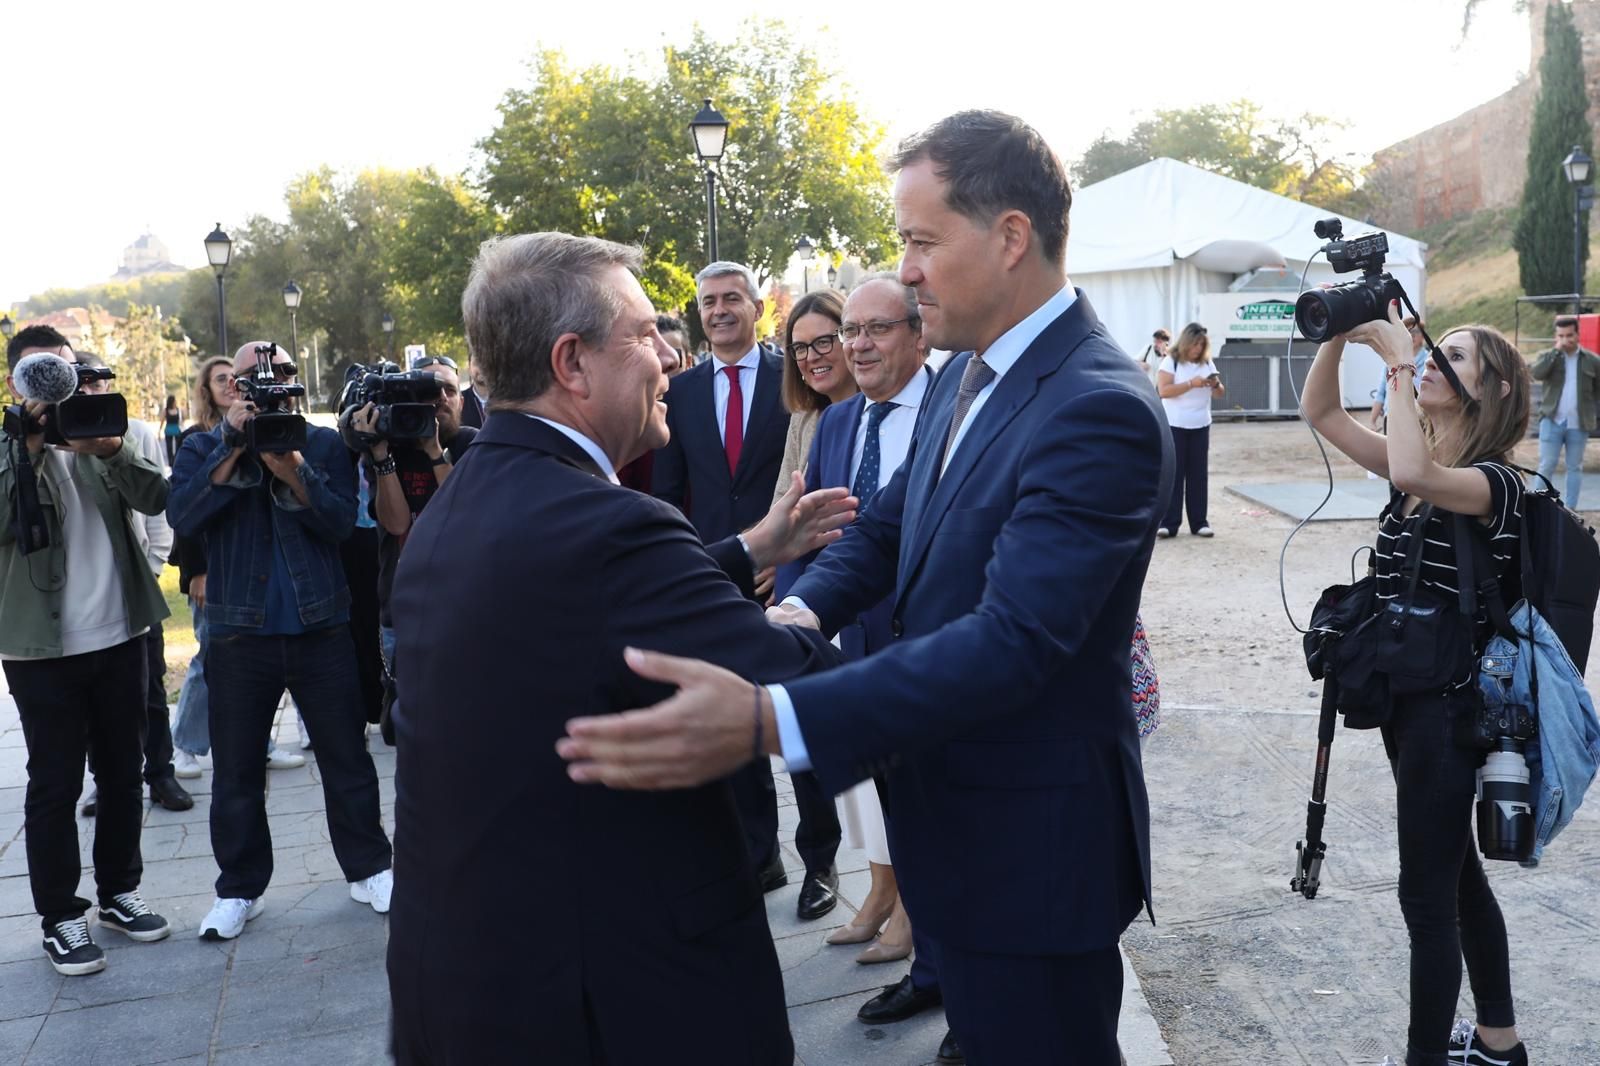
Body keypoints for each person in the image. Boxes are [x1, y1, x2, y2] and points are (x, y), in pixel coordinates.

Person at [559, 110, 1174, 1066]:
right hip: (960, 829)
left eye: (923, 241)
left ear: (1011, 236)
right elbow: (885, 529)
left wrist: (771, 719)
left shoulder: (1095, 405)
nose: (907, 270)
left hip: (1033, 855)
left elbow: (1016, 639)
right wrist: (797, 611)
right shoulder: (973, 374)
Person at [386, 232, 857, 1065]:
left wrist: (747, 549)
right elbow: (791, 681)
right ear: (572, 363)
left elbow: (578, 610)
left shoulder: (463, 503)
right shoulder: (610, 527)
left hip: (471, 980)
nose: (670, 356)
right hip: (617, 994)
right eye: (643, 335)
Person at [1302, 303, 1533, 1066]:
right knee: (1457, 880)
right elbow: (1321, 413)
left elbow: (1412, 472)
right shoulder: (1422, 467)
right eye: (1438, 349)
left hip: (1450, 714)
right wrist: (1340, 333)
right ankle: (1499, 1043)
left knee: (1426, 900)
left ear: (1493, 390)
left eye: (1455, 357)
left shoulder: (1493, 483)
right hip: (1409, 702)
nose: (1435, 358)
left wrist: (1399, 360)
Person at [168, 341, 393, 942]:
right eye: (253, 376)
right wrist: (232, 445)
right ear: (233, 387)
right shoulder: (200, 445)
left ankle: (370, 868)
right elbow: (183, 517)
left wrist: (292, 469)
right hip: (239, 633)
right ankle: (239, 888)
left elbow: (342, 523)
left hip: (321, 627)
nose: (271, 384)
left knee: (347, 759)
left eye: (284, 372)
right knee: (236, 771)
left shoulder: (321, 443)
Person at [1, 325, 174, 975]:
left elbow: (156, 496)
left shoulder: (102, 427)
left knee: (123, 771)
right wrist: (27, 449)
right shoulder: (7, 445)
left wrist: (110, 447)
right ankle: (60, 917)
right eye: (37, 373)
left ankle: (119, 892)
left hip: (120, 631)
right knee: (55, 782)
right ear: (14, 381)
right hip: (40, 648)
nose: (53, 385)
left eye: (64, 370)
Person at [651, 261, 802, 894]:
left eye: (732, 298)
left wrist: (787, 557)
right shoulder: (681, 392)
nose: (719, 310)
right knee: (735, 718)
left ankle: (821, 858)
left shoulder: (792, 379)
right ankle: (759, 854)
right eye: (709, 301)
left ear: (757, 308)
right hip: (712, 572)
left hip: (784, 576)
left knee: (797, 712)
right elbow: (668, 493)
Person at [169, 356, 306, 777]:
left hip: (256, 573)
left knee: (254, 668)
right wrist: (197, 571)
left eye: (236, 378)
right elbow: (187, 517)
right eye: (221, 380)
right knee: (208, 658)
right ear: (207, 390)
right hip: (214, 573)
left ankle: (262, 744)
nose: (232, 384)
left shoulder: (269, 429)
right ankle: (184, 745)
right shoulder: (197, 439)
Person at [71, 352, 192, 817]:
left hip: (136, 584)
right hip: (86, 593)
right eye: (79, 383)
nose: (89, 391)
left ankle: (161, 772)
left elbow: (157, 507)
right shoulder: (58, 436)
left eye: (97, 382)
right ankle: (104, 780)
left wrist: (154, 566)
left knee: (151, 688)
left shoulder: (135, 431)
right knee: (92, 704)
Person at [351, 352, 478, 669]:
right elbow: (396, 524)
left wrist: (434, 450)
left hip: (464, 608)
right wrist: (381, 455)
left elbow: (463, 515)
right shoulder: (390, 446)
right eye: (430, 391)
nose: (441, 398)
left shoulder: (473, 445)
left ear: (461, 401)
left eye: (450, 390)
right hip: (403, 610)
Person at [770, 289, 857, 511]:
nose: (811, 357)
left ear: (850, 337)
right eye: (800, 348)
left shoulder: (878, 412)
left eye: (823, 342)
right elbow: (782, 502)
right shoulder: (803, 418)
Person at [1155, 322, 1223, 538]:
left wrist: (1215, 385)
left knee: (1198, 475)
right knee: (1174, 474)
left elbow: (1220, 393)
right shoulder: (1171, 362)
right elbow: (1163, 391)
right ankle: (1169, 523)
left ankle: (1199, 522)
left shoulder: (1207, 362)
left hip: (1200, 424)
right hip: (1175, 424)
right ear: (1186, 343)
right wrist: (1191, 384)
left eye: (1202, 345)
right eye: (1195, 344)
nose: (1198, 349)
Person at [1530, 314, 1599, 509]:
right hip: (1552, 420)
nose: (1565, 339)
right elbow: (1536, 373)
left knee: (1575, 467)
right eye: (1560, 335)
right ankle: (1537, 507)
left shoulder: (1592, 360)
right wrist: (1555, 351)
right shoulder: (1548, 356)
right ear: (1556, 336)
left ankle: (1570, 510)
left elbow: (1598, 389)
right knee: (1546, 465)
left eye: (1569, 335)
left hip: (1579, 423)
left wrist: (1588, 406)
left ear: (1578, 335)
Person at [1369, 318, 1430, 431]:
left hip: (1418, 419)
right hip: (1391, 418)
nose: (1412, 335)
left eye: (1416, 331)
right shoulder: (1391, 360)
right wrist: (1372, 421)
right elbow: (1381, 393)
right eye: (1408, 331)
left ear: (1423, 335)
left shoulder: (1429, 361)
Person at [460, 358, 489, 430]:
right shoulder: (458, 401)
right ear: (469, 369)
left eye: (487, 362)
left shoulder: (508, 400)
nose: (482, 367)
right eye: (477, 363)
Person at [162, 394, 181, 466]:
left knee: (178, 446)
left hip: (177, 430)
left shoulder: (178, 410)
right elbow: (162, 420)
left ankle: (176, 460)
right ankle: (171, 462)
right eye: (174, 400)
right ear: (171, 401)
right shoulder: (166, 410)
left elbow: (181, 421)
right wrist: (159, 431)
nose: (175, 402)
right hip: (168, 430)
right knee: (169, 447)